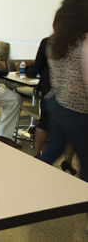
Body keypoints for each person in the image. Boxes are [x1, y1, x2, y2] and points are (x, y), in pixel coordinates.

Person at [39, 0, 88, 183]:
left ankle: (27, 180)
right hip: (77, 108)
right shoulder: (83, 41)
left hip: (57, 102)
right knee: (86, 159)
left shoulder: (54, 42)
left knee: (53, 151)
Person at [25, 37, 77, 174]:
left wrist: (27, 70)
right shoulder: (79, 41)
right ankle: (67, 161)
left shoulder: (49, 41)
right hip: (76, 92)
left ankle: (37, 155)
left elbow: (38, 66)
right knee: (72, 127)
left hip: (51, 88)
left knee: (44, 122)